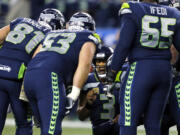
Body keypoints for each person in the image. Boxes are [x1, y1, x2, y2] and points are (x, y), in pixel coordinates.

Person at [106, 0, 180, 135]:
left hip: (141, 68)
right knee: (154, 124)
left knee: (127, 121)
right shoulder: (173, 12)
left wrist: (113, 70)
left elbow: (123, 45)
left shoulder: (133, 8)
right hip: (165, 71)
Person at [23, 11, 101, 135]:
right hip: (49, 78)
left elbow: (35, 56)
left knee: (44, 125)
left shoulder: (51, 33)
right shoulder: (88, 36)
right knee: (52, 129)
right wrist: (74, 95)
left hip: (30, 77)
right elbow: (84, 64)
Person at [0, 8, 65, 135]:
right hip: (17, 77)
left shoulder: (20, 21)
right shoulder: (49, 34)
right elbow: (36, 59)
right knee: (24, 124)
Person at [77, 46, 121, 135]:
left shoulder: (121, 78)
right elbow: (81, 117)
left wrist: (125, 116)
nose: (101, 65)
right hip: (99, 130)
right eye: (98, 61)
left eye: (104, 61)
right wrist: (88, 104)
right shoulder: (88, 81)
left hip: (120, 129)